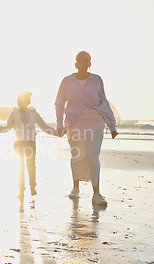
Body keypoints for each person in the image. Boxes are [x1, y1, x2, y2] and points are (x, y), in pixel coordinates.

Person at [55, 51, 118, 206]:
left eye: (86, 61)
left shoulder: (97, 80)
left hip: (95, 120)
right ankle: (75, 188)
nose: (83, 63)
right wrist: (59, 124)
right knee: (76, 154)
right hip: (74, 122)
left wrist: (112, 125)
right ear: (75, 63)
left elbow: (103, 101)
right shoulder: (67, 81)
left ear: (90, 63)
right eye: (80, 61)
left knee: (92, 154)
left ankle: (96, 193)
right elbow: (59, 102)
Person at [0, 92, 57, 198]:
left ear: (28, 102)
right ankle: (21, 190)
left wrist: (57, 133)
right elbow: (7, 127)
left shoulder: (33, 113)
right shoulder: (14, 113)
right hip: (18, 143)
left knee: (31, 165)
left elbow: (44, 126)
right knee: (20, 166)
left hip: (30, 143)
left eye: (22, 101)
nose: (20, 103)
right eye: (18, 101)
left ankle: (32, 187)